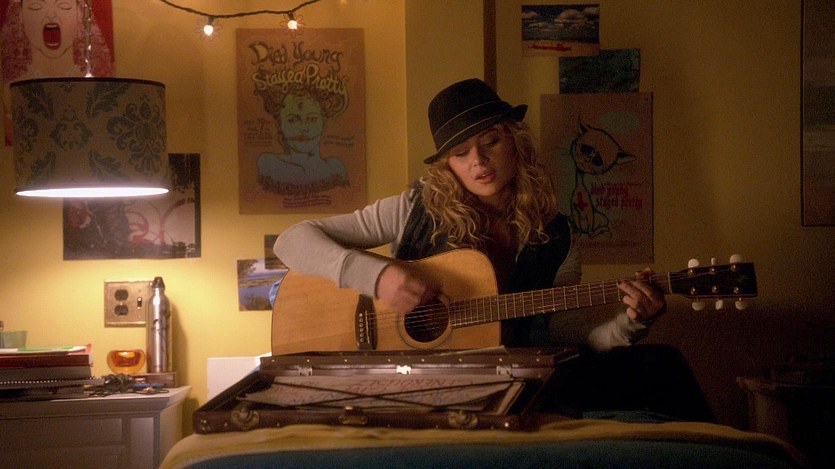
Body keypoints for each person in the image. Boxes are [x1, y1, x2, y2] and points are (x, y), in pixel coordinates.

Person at [274, 78, 714, 422]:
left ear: (515, 141)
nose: (479, 162)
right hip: (413, 379)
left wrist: (631, 322)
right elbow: (291, 241)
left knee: (661, 365)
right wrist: (378, 277)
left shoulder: (556, 235)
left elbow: (563, 335)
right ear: (447, 164)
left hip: (509, 379)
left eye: (490, 142)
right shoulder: (413, 208)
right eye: (461, 152)